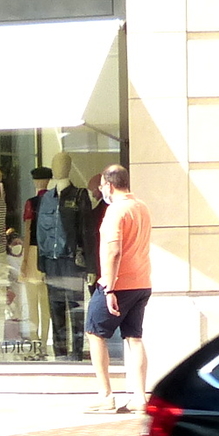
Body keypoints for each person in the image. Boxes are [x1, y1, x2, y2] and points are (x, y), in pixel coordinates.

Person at [83, 164, 152, 414]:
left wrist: (109, 287)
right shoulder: (141, 207)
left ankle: (106, 395)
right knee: (134, 337)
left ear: (109, 185)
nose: (101, 190)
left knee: (94, 332)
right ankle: (140, 397)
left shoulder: (115, 211)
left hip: (118, 283)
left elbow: (114, 250)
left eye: (101, 185)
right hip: (142, 281)